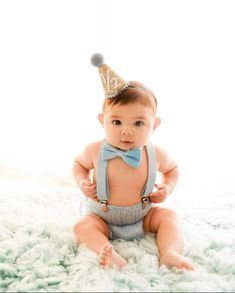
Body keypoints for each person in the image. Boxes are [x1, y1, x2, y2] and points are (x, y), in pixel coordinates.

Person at [73, 53, 194, 270]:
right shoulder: (94, 150)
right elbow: (79, 165)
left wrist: (167, 187)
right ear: (103, 121)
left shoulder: (155, 153)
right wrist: (82, 182)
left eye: (138, 123)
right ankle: (109, 255)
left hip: (144, 215)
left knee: (169, 216)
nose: (126, 131)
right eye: (117, 121)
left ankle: (170, 253)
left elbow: (173, 169)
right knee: (82, 226)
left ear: (154, 125)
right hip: (103, 218)